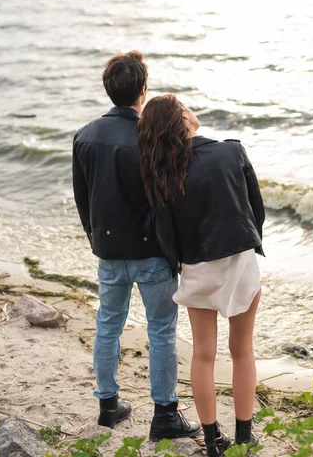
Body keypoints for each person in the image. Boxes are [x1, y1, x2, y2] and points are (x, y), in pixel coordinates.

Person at [72, 52, 200, 440]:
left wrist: (96, 238)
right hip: (151, 252)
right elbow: (170, 197)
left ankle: (108, 407)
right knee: (161, 331)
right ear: (143, 91)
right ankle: (164, 414)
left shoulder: (85, 135)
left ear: (109, 89)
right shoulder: (151, 134)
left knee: (107, 326)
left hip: (109, 250)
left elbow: (83, 198)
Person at [137, 94, 265, 457]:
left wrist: (181, 263)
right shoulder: (231, 152)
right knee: (242, 350)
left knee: (203, 355)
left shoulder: (163, 171)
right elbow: (256, 210)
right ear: (183, 116)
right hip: (238, 261)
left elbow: (165, 232)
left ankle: (212, 441)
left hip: (195, 266)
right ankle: (244, 438)